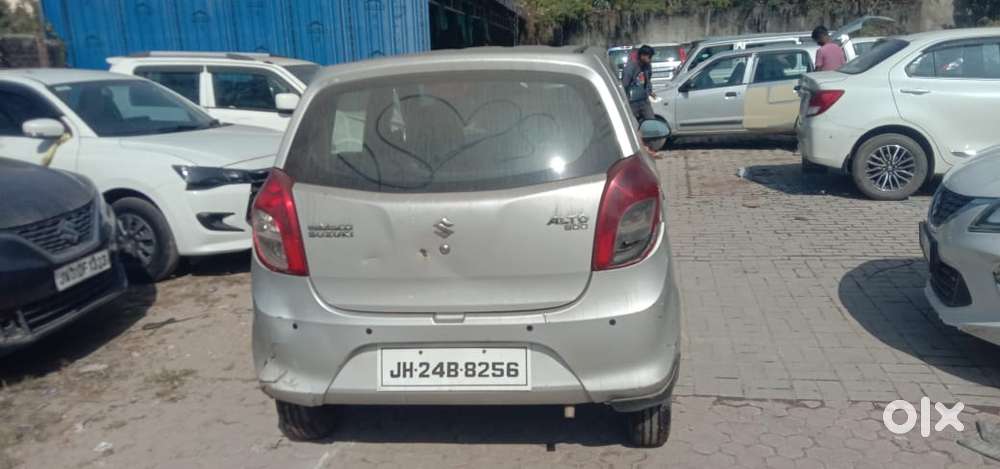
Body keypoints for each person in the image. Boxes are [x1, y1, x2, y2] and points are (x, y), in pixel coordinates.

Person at [622, 44, 656, 123]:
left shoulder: (648, 66)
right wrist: (625, 100)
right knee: (632, 123)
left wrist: (650, 92)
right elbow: (625, 84)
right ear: (642, 56)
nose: (650, 59)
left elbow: (648, 80)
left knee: (651, 121)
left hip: (644, 100)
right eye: (649, 56)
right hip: (632, 101)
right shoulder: (631, 67)